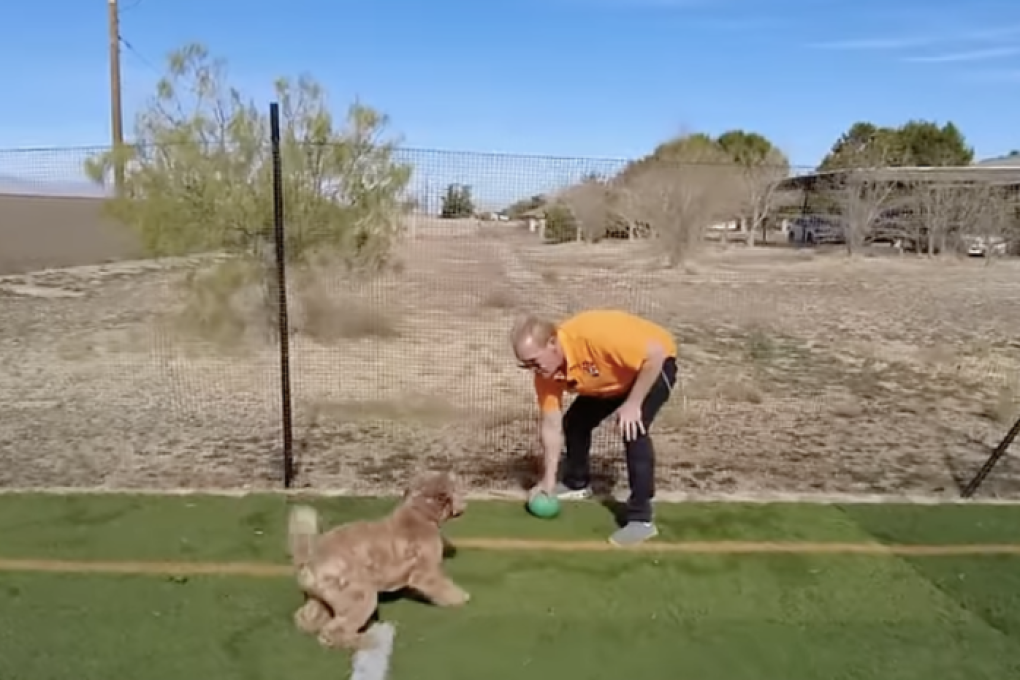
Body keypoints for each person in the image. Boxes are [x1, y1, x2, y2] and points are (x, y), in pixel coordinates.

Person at [510, 309, 678, 546]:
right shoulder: (545, 376)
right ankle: (576, 483)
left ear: (552, 343)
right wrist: (548, 480)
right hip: (614, 379)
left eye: (534, 362)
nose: (534, 370)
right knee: (575, 423)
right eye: (526, 366)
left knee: (633, 428)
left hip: (653, 366)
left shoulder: (594, 337)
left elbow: (655, 354)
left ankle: (641, 519)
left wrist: (633, 403)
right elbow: (551, 426)